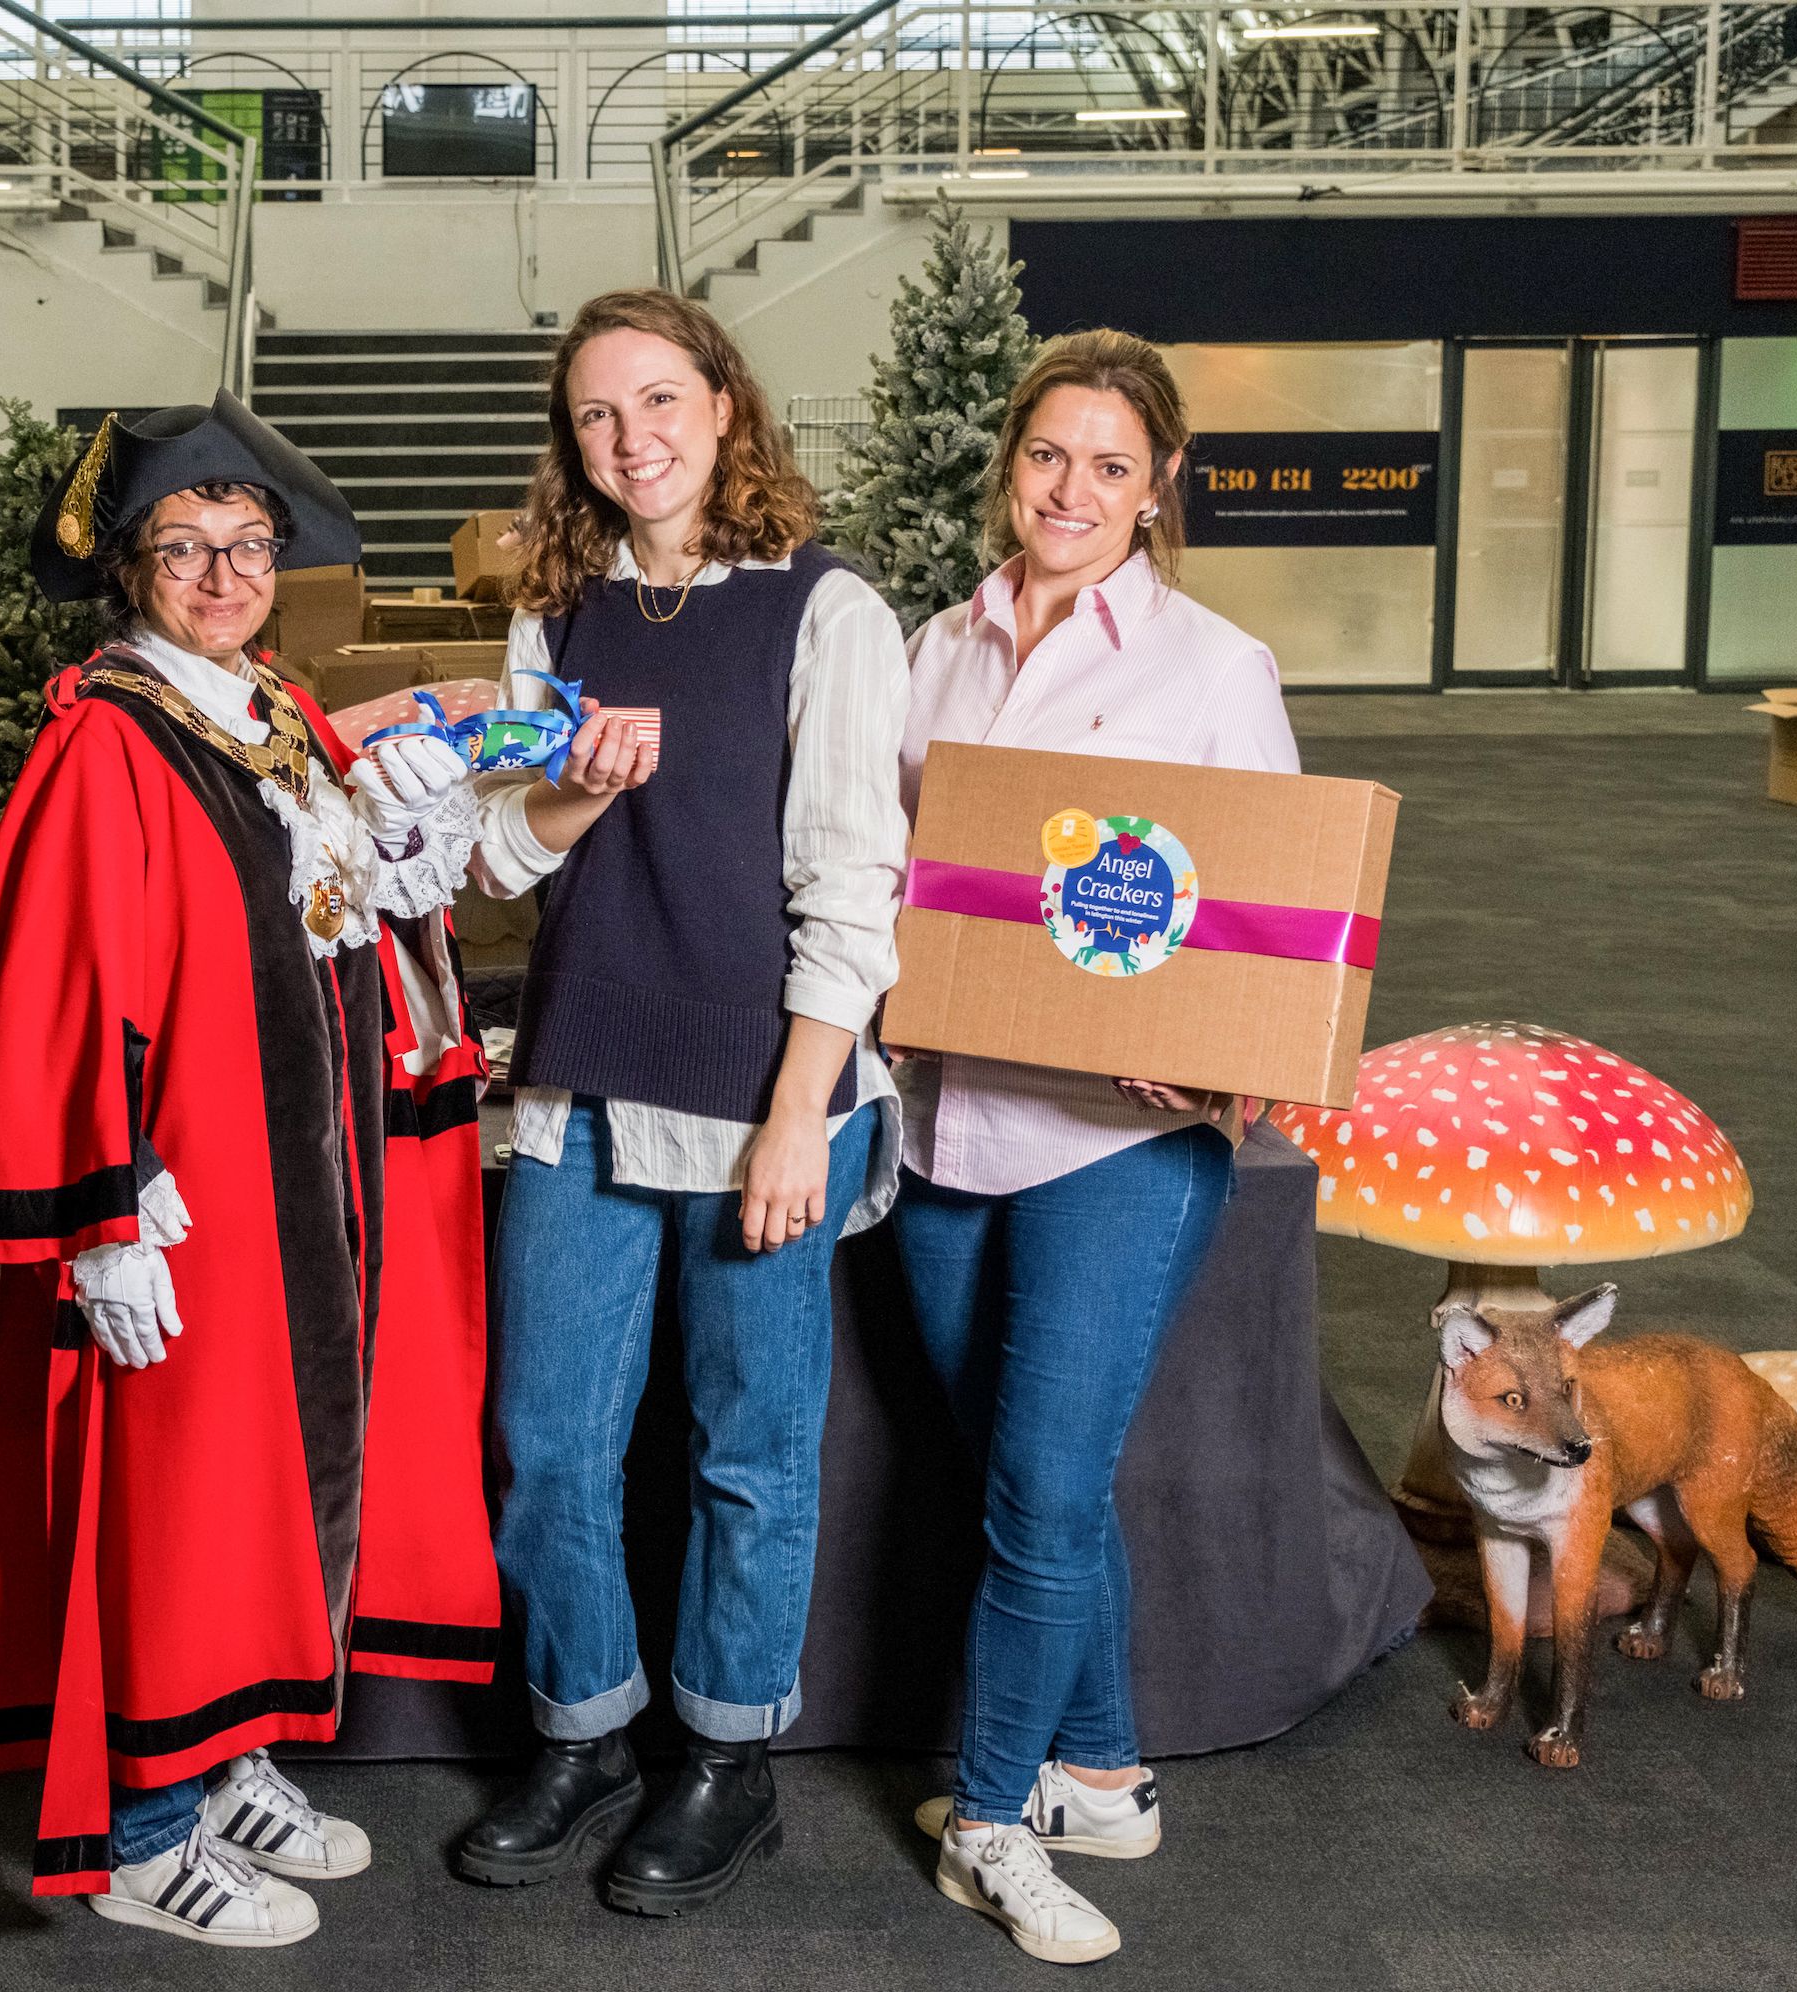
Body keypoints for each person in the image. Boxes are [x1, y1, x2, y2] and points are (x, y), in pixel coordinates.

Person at [0, 395, 494, 1948]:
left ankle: (225, 1758)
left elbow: (331, 918)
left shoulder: (273, 711)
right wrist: (100, 1202)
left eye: (247, 545)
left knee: (257, 1484)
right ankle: (142, 1831)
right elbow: (54, 975)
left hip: (302, 1167)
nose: (224, 573)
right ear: (131, 569)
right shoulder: (106, 736)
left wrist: (410, 855)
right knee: (171, 1495)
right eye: (185, 548)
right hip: (183, 1190)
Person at [453, 290, 911, 1914]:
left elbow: (854, 890)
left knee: (744, 1452)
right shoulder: (553, 612)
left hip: (752, 1096)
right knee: (546, 1443)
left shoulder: (826, 613)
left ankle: (724, 1760)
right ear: (569, 444)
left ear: (724, 407)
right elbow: (496, 857)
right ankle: (583, 1731)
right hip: (577, 1074)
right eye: (595, 415)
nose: (630, 437)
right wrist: (572, 789)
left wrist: (802, 1113)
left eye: (659, 400)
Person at [888, 329, 1297, 1967]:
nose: (1072, 490)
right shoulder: (934, 646)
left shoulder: (1213, 666)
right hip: (939, 1124)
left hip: (1113, 1143)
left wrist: (1208, 1052)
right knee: (1016, 1482)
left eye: (1110, 466)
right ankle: (1105, 1770)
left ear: (1159, 485)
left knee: (1043, 1492)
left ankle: (992, 1819)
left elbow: (1266, 922)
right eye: (1049, 455)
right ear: (1011, 462)